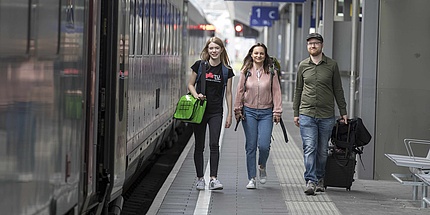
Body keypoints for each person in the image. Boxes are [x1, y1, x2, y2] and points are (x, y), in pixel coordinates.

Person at [293, 33, 348, 195]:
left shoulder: (332, 65)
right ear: (307, 46)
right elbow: (298, 90)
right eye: (310, 44)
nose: (313, 46)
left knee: (322, 150)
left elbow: (338, 89)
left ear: (322, 45)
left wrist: (343, 111)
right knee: (309, 147)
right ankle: (310, 180)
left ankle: (320, 178)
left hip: (326, 115)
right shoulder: (303, 65)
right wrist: (296, 112)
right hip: (307, 113)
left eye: (316, 43)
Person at [187, 37, 234, 190]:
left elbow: (228, 93)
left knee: (214, 144)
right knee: (199, 145)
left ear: (222, 49)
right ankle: (200, 178)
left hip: (216, 112)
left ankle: (213, 178)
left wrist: (229, 115)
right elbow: (190, 84)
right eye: (211, 48)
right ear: (207, 50)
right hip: (200, 110)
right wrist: (196, 95)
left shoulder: (227, 71)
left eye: (216, 48)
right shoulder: (199, 66)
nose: (213, 51)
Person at [234, 43, 282, 189]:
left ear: (265, 55)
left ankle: (262, 166)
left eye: (261, 53)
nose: (258, 56)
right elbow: (240, 90)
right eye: (256, 53)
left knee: (264, 145)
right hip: (249, 112)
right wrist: (237, 109)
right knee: (251, 146)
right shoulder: (246, 71)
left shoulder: (271, 71)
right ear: (251, 54)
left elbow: (276, 92)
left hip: (266, 112)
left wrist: (277, 111)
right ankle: (252, 178)